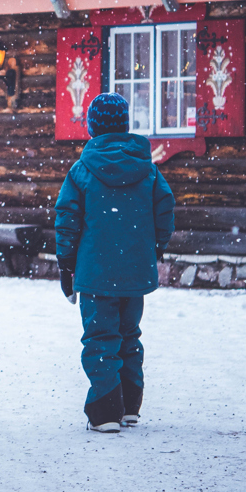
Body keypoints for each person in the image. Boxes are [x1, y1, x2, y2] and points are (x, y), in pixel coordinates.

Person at [55, 92, 175, 433]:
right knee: (129, 335)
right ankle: (130, 404)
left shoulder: (82, 170)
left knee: (100, 337)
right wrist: (154, 247)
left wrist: (66, 262)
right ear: (125, 124)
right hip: (134, 268)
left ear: (92, 127)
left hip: (95, 271)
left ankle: (107, 409)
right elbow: (165, 210)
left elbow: (67, 219)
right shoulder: (148, 169)